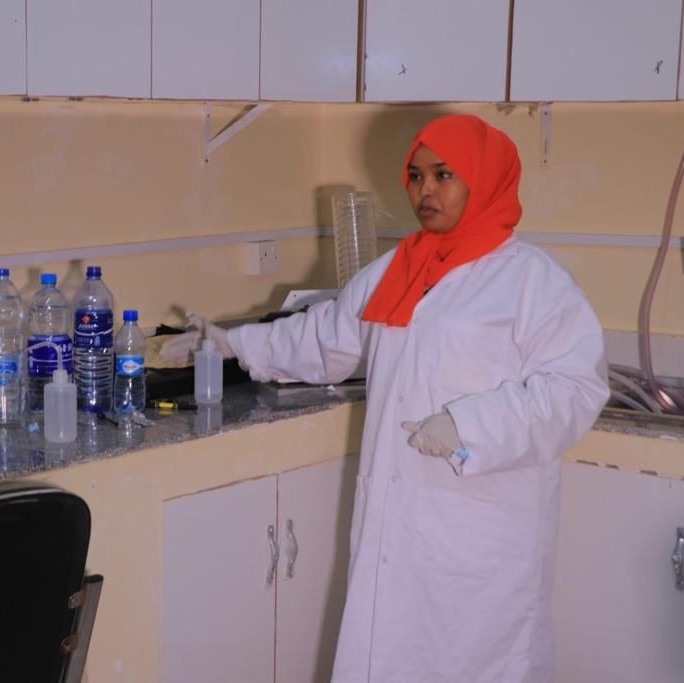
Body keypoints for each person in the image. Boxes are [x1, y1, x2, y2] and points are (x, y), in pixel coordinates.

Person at [161, 114, 609, 682]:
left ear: (486, 179)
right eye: (417, 175)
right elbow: (325, 338)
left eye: (444, 175)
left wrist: (469, 427)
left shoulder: (532, 282)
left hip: (482, 525)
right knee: (392, 651)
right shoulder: (399, 268)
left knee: (479, 660)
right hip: (399, 518)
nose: (425, 190)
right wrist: (231, 343)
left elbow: (575, 389)